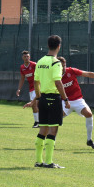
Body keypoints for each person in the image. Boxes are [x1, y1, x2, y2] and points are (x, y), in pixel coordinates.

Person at [24, 35, 70, 169]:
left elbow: (36, 81)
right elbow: (58, 81)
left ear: (48, 45)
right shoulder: (56, 63)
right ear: (59, 46)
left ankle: (38, 161)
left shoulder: (39, 61)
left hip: (43, 98)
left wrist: (38, 98)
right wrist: (65, 99)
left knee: (42, 129)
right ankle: (49, 162)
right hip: (53, 98)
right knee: (53, 130)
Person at [57, 56, 94, 149]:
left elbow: (87, 74)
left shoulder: (70, 71)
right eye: (61, 65)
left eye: (64, 65)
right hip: (65, 101)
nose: (63, 67)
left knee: (89, 114)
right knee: (56, 119)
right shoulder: (55, 76)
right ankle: (51, 141)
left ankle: (89, 140)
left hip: (78, 100)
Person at [16, 50, 39, 128]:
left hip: (38, 87)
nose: (26, 58)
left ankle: (37, 122)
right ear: (22, 58)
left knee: (34, 104)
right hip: (31, 89)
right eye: (25, 56)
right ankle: (38, 121)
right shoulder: (22, 67)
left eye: (28, 56)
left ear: (30, 57)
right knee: (34, 105)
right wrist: (19, 89)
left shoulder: (34, 65)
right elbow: (22, 78)